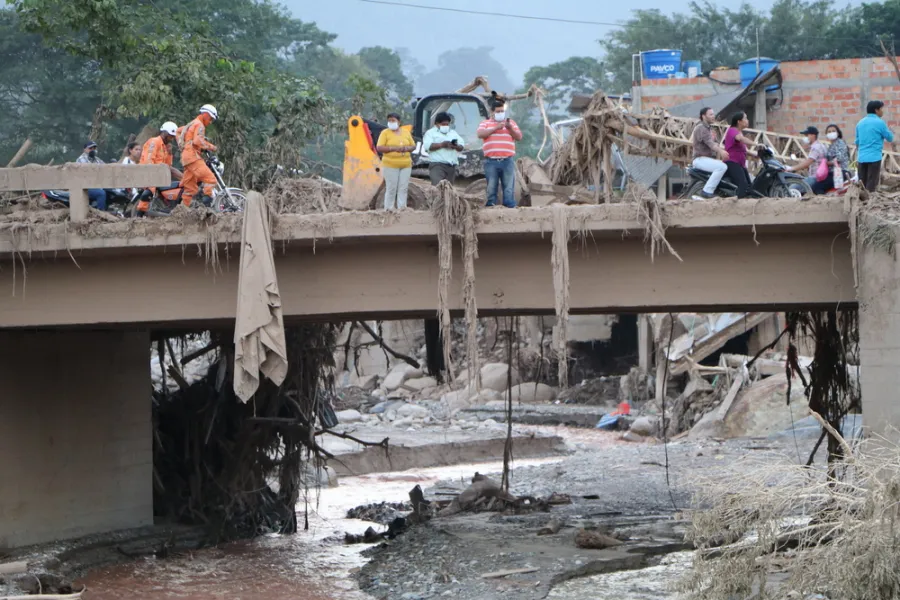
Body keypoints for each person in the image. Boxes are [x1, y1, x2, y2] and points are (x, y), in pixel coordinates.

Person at [477, 100, 522, 208]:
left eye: (502, 111)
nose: (501, 113)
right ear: (492, 112)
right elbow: (480, 134)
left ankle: (509, 205)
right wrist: (495, 128)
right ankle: (491, 206)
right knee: (491, 186)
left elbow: (519, 137)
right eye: (498, 111)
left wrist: (509, 128)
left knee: (508, 187)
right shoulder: (485, 123)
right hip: (491, 161)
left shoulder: (511, 123)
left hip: (507, 160)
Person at [136, 121, 184, 213]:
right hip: (148, 173)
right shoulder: (155, 142)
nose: (171, 139)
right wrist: (154, 174)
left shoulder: (165, 147)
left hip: (159, 175)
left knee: (175, 186)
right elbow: (148, 160)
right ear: (164, 133)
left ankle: (169, 207)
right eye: (170, 136)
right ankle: (140, 213)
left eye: (173, 137)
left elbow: (168, 166)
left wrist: (170, 153)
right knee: (151, 187)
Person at [177, 104, 219, 207]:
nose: (210, 122)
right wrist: (211, 147)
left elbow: (178, 131)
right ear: (205, 114)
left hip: (186, 158)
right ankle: (206, 208)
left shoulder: (191, 124)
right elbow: (197, 140)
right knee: (211, 179)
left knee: (189, 189)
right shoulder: (199, 125)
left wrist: (183, 145)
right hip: (193, 157)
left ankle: (182, 211)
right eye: (210, 118)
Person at [375, 112, 416, 210]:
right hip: (390, 165)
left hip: (406, 164)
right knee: (391, 188)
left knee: (403, 187)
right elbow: (379, 147)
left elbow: (413, 146)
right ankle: (388, 209)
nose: (391, 122)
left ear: (399, 122)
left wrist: (406, 148)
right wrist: (393, 148)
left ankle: (402, 208)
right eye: (389, 121)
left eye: (393, 120)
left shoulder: (406, 132)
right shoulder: (385, 133)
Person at [855, 100, 895, 192]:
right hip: (874, 158)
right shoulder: (880, 123)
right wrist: (890, 132)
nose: (882, 111)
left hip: (862, 158)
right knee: (871, 184)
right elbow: (889, 138)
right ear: (876, 110)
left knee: (862, 184)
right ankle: (869, 204)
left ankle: (860, 203)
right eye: (881, 109)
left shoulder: (860, 123)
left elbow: (857, 142)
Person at [690, 107, 729, 199]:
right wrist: (721, 152)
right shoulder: (701, 128)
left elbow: (715, 143)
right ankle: (707, 191)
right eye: (710, 114)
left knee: (725, 165)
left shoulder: (709, 128)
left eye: (713, 114)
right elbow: (711, 144)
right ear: (703, 116)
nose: (713, 116)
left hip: (705, 159)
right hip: (700, 159)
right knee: (722, 167)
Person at [723, 111, 759, 198]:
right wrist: (756, 144)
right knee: (743, 184)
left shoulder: (739, 132)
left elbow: (746, 150)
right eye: (745, 118)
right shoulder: (732, 130)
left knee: (750, 186)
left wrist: (758, 154)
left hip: (740, 164)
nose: (747, 120)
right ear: (739, 121)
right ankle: (737, 204)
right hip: (732, 163)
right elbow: (741, 139)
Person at [422, 112, 465, 185]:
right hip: (437, 165)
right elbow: (428, 146)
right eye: (443, 124)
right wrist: (442, 144)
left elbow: (461, 146)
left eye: (447, 124)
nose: (445, 126)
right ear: (436, 124)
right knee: (438, 187)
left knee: (449, 190)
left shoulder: (453, 133)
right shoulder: (430, 133)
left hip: (451, 165)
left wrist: (455, 146)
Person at [811, 124, 851, 194]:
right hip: (833, 173)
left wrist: (826, 163)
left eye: (833, 131)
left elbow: (839, 158)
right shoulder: (832, 145)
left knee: (817, 187)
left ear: (838, 133)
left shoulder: (840, 143)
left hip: (840, 172)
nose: (831, 133)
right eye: (829, 132)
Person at [75, 141, 107, 210]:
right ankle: (101, 213)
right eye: (90, 148)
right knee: (101, 193)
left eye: (94, 148)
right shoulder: (81, 159)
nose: (93, 150)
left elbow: (106, 167)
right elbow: (89, 172)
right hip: (85, 186)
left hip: (97, 184)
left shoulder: (97, 159)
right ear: (85, 150)